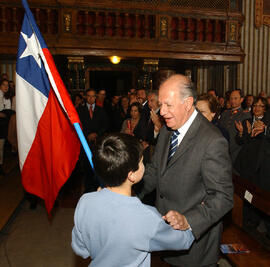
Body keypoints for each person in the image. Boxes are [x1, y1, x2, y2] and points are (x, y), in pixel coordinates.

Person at [139, 74, 233, 267]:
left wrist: (188, 220)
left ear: (188, 103)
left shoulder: (212, 140)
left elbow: (223, 197)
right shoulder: (167, 130)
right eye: (160, 104)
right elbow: (154, 171)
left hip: (194, 247)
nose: (161, 111)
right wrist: (123, 191)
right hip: (166, 237)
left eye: (168, 105)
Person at [71, 133, 194, 267]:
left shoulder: (85, 202)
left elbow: (81, 249)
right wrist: (189, 221)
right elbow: (183, 241)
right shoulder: (146, 217)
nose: (143, 164)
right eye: (141, 162)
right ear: (132, 175)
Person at [219, 89, 251, 163]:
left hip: (236, 150)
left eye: (235, 98)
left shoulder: (245, 114)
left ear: (241, 99)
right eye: (231, 98)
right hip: (223, 147)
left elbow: (245, 136)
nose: (233, 101)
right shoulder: (225, 113)